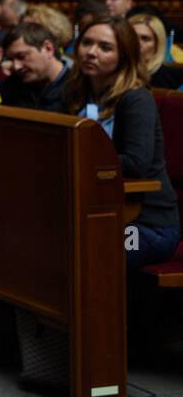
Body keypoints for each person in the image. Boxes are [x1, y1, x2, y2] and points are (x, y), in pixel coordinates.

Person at [66, 16, 178, 269]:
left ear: (124, 56)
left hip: (145, 224)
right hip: (99, 213)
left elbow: (136, 164)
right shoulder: (76, 93)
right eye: (86, 43)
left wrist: (72, 157)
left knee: (86, 256)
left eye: (105, 47)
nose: (91, 53)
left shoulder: (136, 99)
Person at [1, 23, 70, 112]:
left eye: (21, 56)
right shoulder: (12, 87)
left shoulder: (77, 87)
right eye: (11, 60)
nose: (16, 66)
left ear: (48, 48)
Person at [129, 12, 183, 89]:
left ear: (158, 45)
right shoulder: (114, 74)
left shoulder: (171, 79)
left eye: (145, 38)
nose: (137, 43)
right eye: (132, 37)